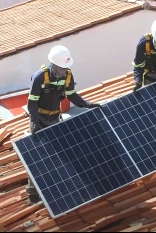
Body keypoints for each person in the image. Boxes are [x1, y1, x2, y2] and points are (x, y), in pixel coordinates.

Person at [26, 45, 101, 205]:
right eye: (61, 67)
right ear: (53, 64)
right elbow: (31, 102)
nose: (64, 70)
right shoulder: (40, 76)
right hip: (39, 117)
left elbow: (71, 94)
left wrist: (86, 104)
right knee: (36, 156)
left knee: (57, 154)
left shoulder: (67, 75)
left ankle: (56, 189)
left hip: (54, 118)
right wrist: (34, 121)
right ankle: (33, 192)